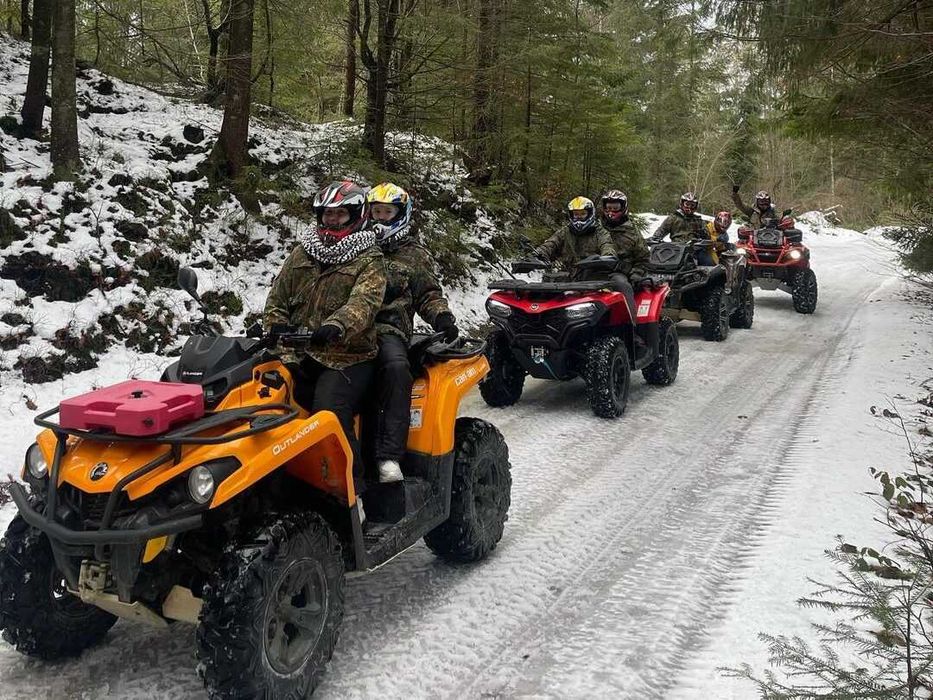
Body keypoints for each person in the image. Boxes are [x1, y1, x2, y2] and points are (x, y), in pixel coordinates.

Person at [263, 180, 386, 521]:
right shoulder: (303, 253)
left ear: (356, 216)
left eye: (340, 215)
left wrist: (337, 326)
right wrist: (275, 327)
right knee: (260, 400)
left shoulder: (370, 258)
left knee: (328, 412)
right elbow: (277, 298)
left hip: (348, 356)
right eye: (327, 215)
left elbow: (365, 302)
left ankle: (351, 492)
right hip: (297, 352)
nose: (331, 222)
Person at [365, 182, 458, 483]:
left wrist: (442, 316)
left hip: (389, 328)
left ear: (400, 214)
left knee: (395, 369)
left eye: (387, 212)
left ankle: (389, 456)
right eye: (375, 211)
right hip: (350, 326)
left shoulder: (413, 254)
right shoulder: (357, 247)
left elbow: (427, 293)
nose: (380, 218)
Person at [533, 196, 616, 269]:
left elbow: (607, 246)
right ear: (571, 215)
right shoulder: (565, 231)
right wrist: (537, 254)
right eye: (576, 214)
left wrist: (606, 258)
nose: (579, 217)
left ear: (590, 214)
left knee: (618, 282)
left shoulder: (600, 233)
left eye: (583, 214)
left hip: (592, 275)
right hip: (566, 275)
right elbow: (551, 244)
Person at [598, 189, 649, 285]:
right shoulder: (596, 228)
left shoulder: (632, 232)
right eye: (608, 207)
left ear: (623, 208)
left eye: (615, 208)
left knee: (622, 285)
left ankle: (629, 300)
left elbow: (644, 258)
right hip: (594, 273)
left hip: (622, 273)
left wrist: (636, 273)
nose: (611, 212)